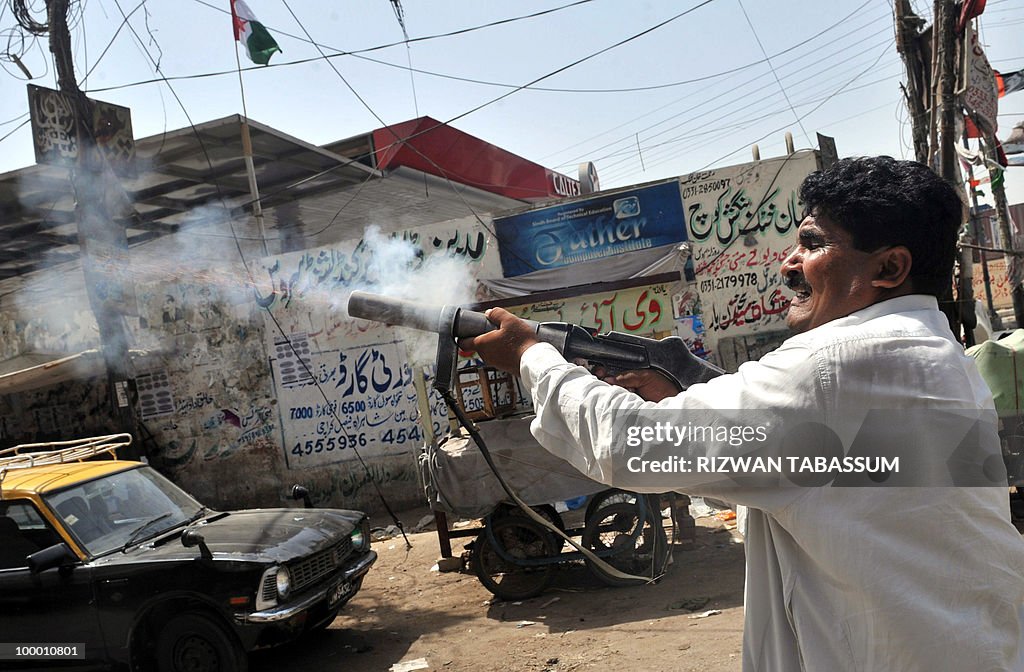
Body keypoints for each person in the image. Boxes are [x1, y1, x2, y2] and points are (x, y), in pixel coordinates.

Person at [460, 157, 1024, 671]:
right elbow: (829, 480)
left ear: (889, 268)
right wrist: (682, 395)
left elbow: (624, 442)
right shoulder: (941, 358)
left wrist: (530, 357)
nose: (789, 263)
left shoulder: (833, 362)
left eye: (812, 243)